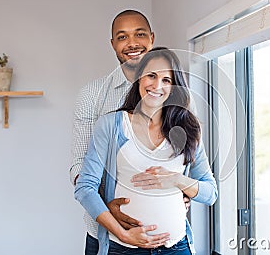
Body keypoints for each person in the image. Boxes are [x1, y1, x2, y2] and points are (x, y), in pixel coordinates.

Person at [75, 47, 218, 255]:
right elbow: (85, 187)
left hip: (177, 248)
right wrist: (124, 234)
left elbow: (210, 193)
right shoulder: (112, 125)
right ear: (139, 78)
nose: (157, 85)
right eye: (151, 75)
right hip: (124, 248)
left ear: (174, 87)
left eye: (166, 80)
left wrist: (177, 181)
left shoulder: (188, 129)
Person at [70, 10, 172, 254]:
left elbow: (187, 157)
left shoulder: (173, 91)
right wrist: (107, 208)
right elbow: (78, 167)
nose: (132, 43)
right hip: (106, 237)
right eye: (122, 37)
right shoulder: (92, 95)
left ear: (152, 38)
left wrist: (185, 191)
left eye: (139, 34)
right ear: (113, 44)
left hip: (166, 237)